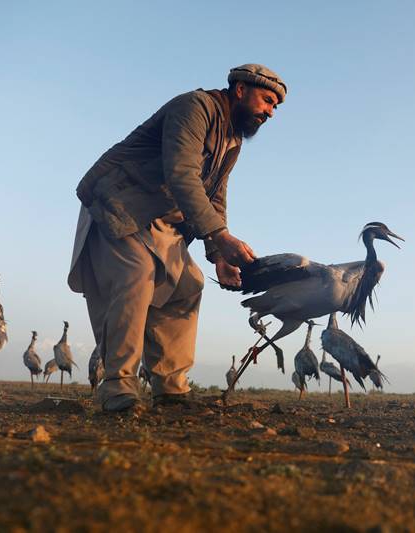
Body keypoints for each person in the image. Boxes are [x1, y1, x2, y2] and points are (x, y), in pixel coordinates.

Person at [67, 64, 286, 412]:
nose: (270, 112)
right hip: (121, 200)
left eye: (275, 107)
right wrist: (221, 235)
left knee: (188, 285)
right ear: (241, 90)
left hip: (163, 219)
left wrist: (218, 255)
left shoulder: (232, 140)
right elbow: (182, 174)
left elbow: (215, 195)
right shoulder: (194, 108)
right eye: (267, 100)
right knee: (136, 276)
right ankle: (118, 389)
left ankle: (170, 391)